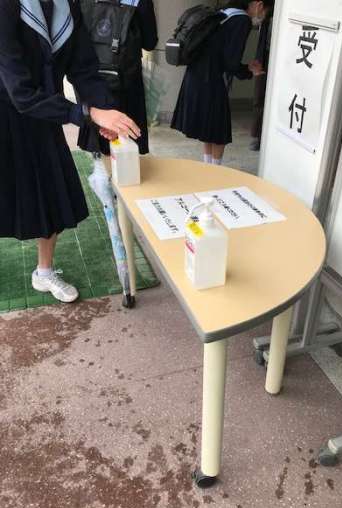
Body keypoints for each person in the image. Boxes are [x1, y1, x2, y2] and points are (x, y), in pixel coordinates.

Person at [0, 0, 140, 303]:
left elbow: (84, 69)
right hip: (7, 113)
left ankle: (44, 271)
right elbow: (20, 92)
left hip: (44, 116)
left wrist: (103, 110)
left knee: (51, 195)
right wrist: (87, 114)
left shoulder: (67, 6)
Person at [171, 0, 273, 166]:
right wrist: (249, 71)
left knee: (209, 129)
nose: (262, 17)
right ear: (259, 5)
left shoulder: (225, 12)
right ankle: (215, 171)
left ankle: (208, 169)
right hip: (212, 80)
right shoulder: (242, 20)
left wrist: (245, 68)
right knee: (219, 131)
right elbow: (231, 63)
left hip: (195, 75)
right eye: (265, 13)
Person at [78, 0, 158, 156]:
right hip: (126, 80)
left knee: (98, 141)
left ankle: (100, 166)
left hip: (91, 77)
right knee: (127, 145)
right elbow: (150, 42)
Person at [250, 5, 274, 151]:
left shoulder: (274, 19)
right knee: (259, 99)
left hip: (272, 61)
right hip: (263, 62)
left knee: (263, 100)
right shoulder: (265, 21)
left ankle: (260, 137)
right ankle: (257, 137)